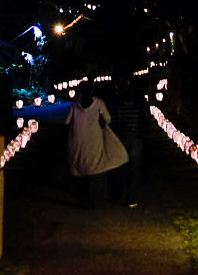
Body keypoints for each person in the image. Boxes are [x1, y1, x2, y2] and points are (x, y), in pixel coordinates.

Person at [64, 87, 129, 209]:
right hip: (95, 139)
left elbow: (66, 121)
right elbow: (108, 119)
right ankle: (94, 197)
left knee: (81, 167)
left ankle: (83, 197)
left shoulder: (75, 104)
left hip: (78, 141)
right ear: (92, 91)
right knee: (95, 168)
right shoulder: (98, 103)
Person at [106, 78, 151, 207]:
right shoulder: (140, 100)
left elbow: (113, 120)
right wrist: (141, 132)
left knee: (118, 168)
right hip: (135, 138)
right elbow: (146, 117)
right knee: (134, 169)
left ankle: (117, 193)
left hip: (121, 138)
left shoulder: (116, 101)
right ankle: (132, 198)